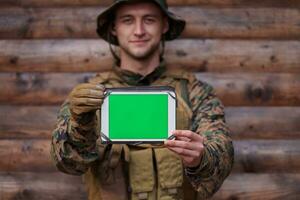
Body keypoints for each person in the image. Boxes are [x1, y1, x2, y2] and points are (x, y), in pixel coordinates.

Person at [50, 0, 234, 199]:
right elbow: (67, 163)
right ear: (114, 27)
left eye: (149, 19)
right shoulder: (87, 97)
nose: (139, 31)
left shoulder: (193, 91)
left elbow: (222, 153)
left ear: (164, 25)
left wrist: (201, 158)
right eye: (128, 20)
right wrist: (80, 123)